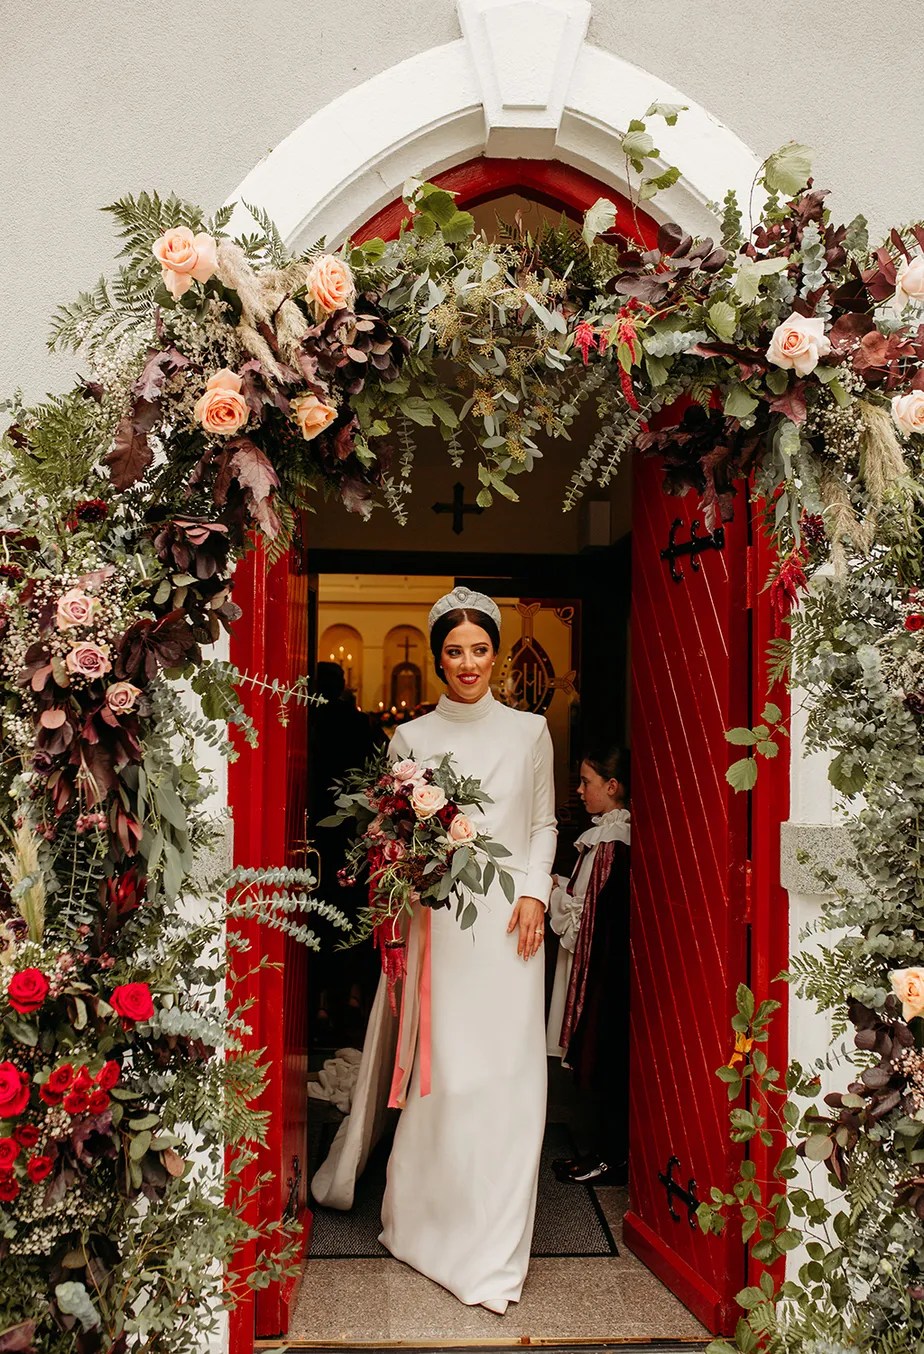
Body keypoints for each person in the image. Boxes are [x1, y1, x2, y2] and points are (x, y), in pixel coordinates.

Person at [311, 586, 557, 1315]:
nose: (468, 663)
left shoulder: (531, 731)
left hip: (514, 924)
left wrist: (536, 891)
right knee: (445, 1078)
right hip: (441, 924)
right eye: (455, 651)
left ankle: (494, 1248)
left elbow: (542, 823)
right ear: (437, 657)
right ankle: (425, 1225)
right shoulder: (410, 739)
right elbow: (390, 842)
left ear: (498, 652)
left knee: (508, 1079)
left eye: (480, 649)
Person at [546, 747, 630, 1185]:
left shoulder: (614, 842)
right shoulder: (603, 836)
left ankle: (609, 1156)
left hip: (602, 967)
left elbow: (585, 916)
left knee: (602, 1056)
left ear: (612, 787)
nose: (579, 791)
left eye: (587, 782)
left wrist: (553, 892)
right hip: (597, 960)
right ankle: (600, 1150)